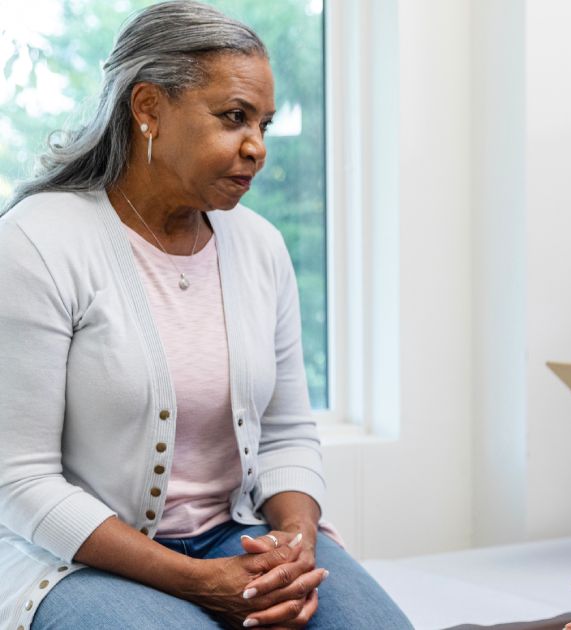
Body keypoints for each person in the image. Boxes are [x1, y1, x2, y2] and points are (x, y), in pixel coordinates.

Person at [0, 2, 411, 628]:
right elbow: (21, 481)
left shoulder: (261, 247)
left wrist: (292, 549)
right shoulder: (37, 243)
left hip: (232, 538)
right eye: (234, 118)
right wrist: (197, 583)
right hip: (73, 559)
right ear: (148, 109)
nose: (257, 148)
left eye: (265, 125)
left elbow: (285, 431)